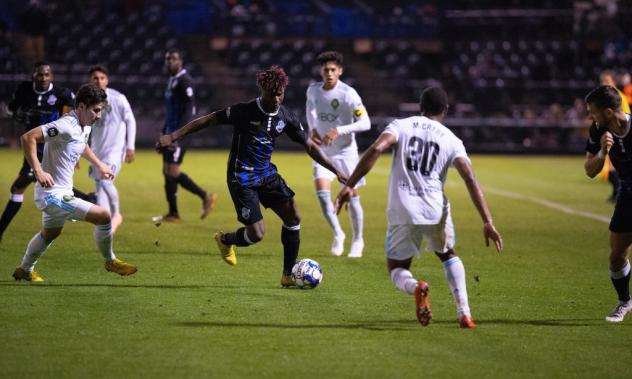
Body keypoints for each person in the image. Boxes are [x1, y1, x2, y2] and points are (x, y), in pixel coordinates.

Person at [158, 66, 347, 287]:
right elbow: (207, 120)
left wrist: (336, 170)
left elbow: (310, 147)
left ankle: (287, 274)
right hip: (242, 178)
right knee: (257, 234)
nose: (276, 99)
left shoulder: (286, 117)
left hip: (266, 174)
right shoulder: (244, 111)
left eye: (280, 93)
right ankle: (225, 239)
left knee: (293, 217)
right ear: (262, 91)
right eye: (271, 94)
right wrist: (173, 136)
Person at [335, 87, 503, 328]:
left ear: (419, 106)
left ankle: (417, 287)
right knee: (447, 254)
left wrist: (349, 185)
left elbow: (377, 148)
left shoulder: (401, 125)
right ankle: (464, 312)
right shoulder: (451, 139)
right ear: (445, 110)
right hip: (435, 207)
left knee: (397, 268)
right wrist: (487, 221)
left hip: (402, 207)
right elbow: (470, 178)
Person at [12, 84, 137, 282]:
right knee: (104, 215)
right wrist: (38, 171)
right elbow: (28, 138)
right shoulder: (65, 125)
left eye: (100, 110)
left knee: (50, 233)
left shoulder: (84, 125)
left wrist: (100, 164)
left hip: (61, 191)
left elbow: (82, 145)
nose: (98, 116)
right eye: (95, 110)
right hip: (52, 195)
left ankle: (24, 269)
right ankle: (110, 261)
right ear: (80, 107)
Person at [0, 61, 94, 242]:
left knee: (19, 186)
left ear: (52, 76)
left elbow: (77, 115)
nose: (43, 78)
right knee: (51, 185)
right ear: (33, 76)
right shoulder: (24, 90)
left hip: (50, 148)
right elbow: (11, 109)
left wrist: (74, 148)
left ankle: (88, 200)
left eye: (46, 75)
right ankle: (89, 199)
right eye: (39, 75)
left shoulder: (61, 94)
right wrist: (17, 113)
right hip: (32, 146)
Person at [305, 51, 370, 257]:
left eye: (333, 69)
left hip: (345, 153)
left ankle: (358, 240)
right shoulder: (313, 90)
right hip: (324, 152)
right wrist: (312, 128)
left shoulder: (348, 94)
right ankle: (338, 234)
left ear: (340, 71)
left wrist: (339, 130)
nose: (330, 73)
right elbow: (310, 110)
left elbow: (365, 123)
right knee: (323, 196)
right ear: (321, 71)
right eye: (326, 70)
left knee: (351, 197)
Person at [584, 85, 632, 323]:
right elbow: (589, 170)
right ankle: (625, 301)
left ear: (609, 112)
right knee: (616, 257)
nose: (591, 116)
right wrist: (603, 153)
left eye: (593, 111)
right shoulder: (597, 132)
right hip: (627, 194)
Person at [157, 48, 216, 223]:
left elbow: (189, 111)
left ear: (181, 61)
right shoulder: (172, 80)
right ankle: (173, 213)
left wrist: (177, 135)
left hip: (179, 134)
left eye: (173, 59)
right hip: (170, 132)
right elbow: (171, 111)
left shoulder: (185, 81)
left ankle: (205, 196)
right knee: (167, 171)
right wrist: (163, 132)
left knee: (173, 171)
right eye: (167, 59)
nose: (169, 62)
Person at [88, 65, 136, 233]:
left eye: (102, 78)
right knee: (100, 191)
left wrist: (130, 146)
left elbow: (131, 121)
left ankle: (117, 215)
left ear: (107, 80)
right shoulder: (88, 101)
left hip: (115, 151)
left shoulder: (118, 98)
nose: (99, 81)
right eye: (95, 78)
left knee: (105, 179)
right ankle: (106, 227)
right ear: (90, 81)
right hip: (96, 153)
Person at [599, 70, 630, 203]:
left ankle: (619, 194)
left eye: (607, 81)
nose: (604, 84)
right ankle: (616, 193)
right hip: (612, 134)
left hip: (621, 135)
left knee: (616, 166)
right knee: (611, 165)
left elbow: (626, 116)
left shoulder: (619, 97)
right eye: (602, 81)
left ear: (613, 82)